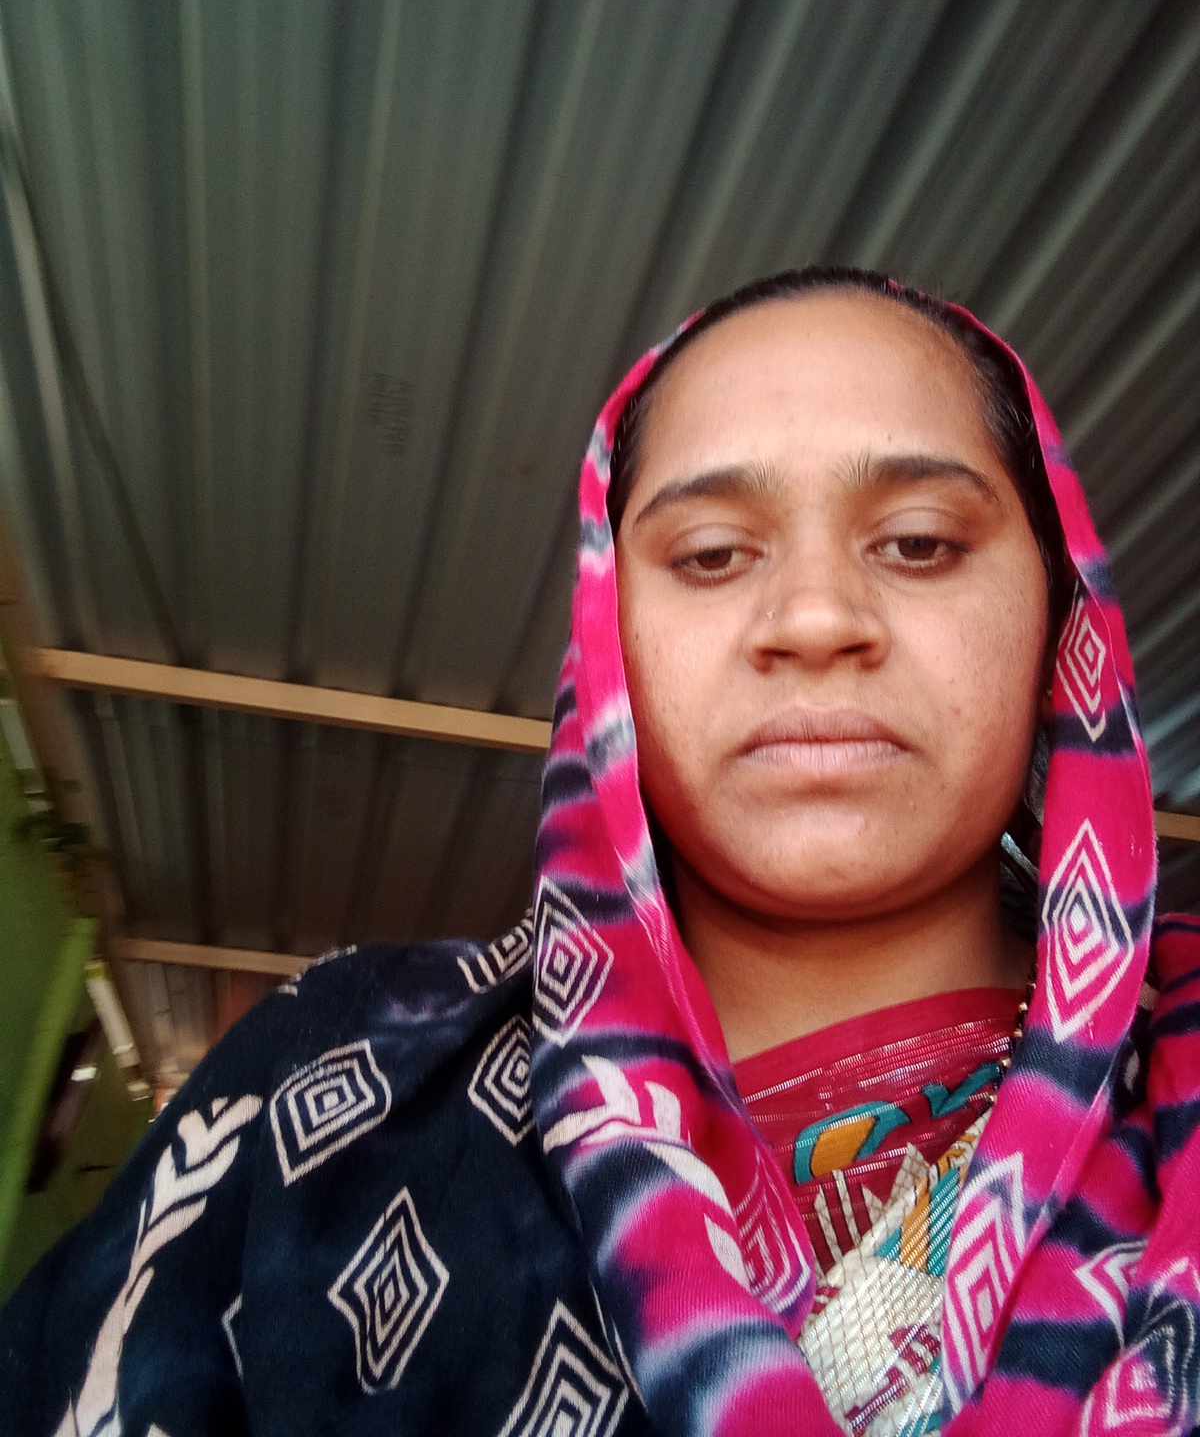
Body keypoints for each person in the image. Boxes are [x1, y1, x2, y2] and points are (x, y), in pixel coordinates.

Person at [2, 266, 1195, 1436]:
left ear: (1059, 611)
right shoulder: (336, 1076)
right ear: (603, 634)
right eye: (712, 554)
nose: (816, 619)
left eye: (921, 542)